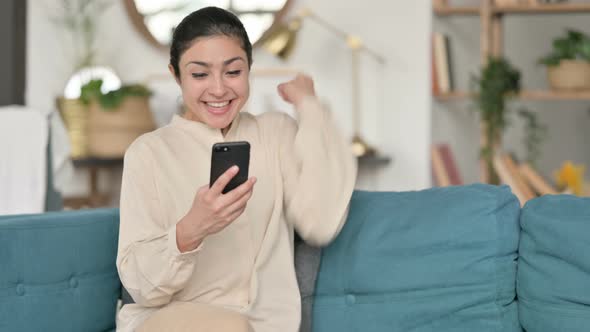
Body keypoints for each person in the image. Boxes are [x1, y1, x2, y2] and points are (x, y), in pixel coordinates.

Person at [116, 6, 356, 332]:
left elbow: (321, 221)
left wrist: (309, 107)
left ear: (249, 70)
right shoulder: (148, 153)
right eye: (199, 74)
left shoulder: (275, 134)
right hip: (169, 320)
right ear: (176, 75)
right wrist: (191, 229)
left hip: (263, 324)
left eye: (232, 72)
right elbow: (141, 287)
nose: (218, 89)